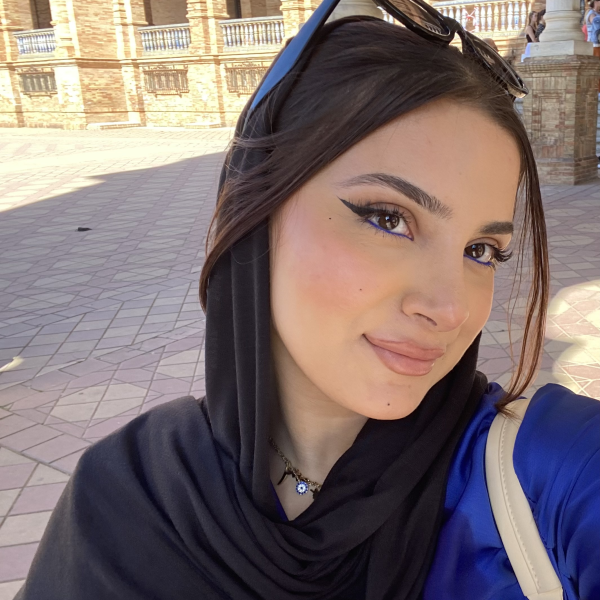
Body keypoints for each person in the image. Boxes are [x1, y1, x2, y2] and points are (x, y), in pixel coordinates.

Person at [15, 2, 600, 599]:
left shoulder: (549, 474)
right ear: (255, 216)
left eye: (481, 250)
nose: (449, 309)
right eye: (388, 218)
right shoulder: (126, 498)